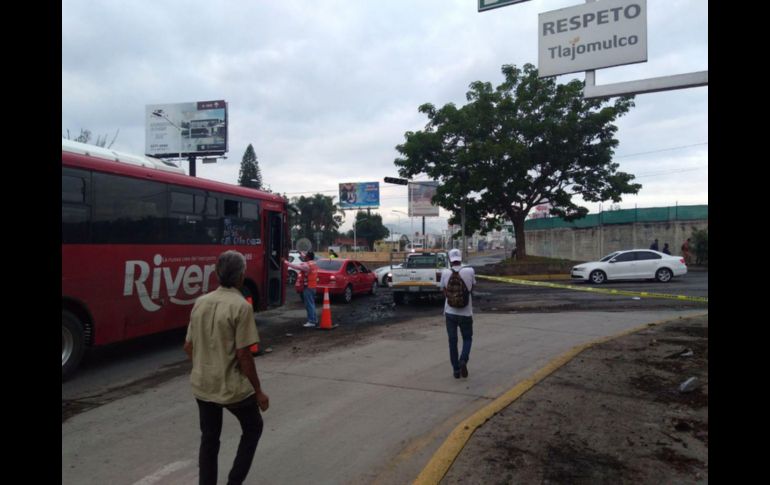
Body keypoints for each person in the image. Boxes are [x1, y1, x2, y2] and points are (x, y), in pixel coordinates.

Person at [183, 250, 270, 485]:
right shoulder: (241, 306)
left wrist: (204, 367)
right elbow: (244, 355)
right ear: (241, 276)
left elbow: (188, 346)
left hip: (203, 384)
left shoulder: (200, 302)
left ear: (217, 273)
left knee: (209, 438)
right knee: (253, 427)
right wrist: (258, 392)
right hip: (231, 387)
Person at [439, 248, 477, 379]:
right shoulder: (470, 270)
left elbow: (444, 291)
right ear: (460, 258)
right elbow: (472, 288)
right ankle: (463, 360)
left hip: (450, 312)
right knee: (467, 338)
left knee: (452, 341)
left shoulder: (445, 272)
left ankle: (456, 370)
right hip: (466, 312)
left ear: (450, 259)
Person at [286, 251, 319, 328]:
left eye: (306, 256)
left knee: (309, 305)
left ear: (308, 257)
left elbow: (296, 267)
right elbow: (305, 258)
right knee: (312, 304)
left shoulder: (307, 266)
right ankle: (314, 320)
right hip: (313, 286)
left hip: (308, 287)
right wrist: (300, 253)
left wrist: (286, 262)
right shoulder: (313, 263)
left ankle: (311, 321)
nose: (305, 257)